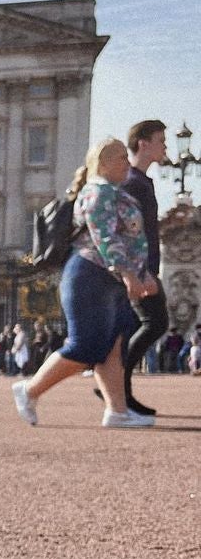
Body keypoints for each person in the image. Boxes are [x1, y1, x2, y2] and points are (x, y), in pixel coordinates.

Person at [11, 138, 156, 429]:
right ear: (103, 162)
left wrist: (143, 273)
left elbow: (131, 239)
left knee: (114, 346)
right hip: (91, 274)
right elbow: (105, 237)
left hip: (109, 277)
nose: (127, 163)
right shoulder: (97, 192)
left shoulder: (113, 192)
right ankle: (29, 390)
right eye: (120, 158)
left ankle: (117, 411)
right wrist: (129, 273)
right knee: (86, 345)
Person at [116, 120, 169, 416]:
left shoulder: (140, 180)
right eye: (161, 141)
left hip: (144, 267)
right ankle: (117, 387)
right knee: (155, 323)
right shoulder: (133, 182)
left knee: (138, 326)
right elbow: (129, 231)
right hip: (140, 269)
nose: (165, 147)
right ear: (143, 144)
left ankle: (116, 386)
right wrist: (140, 270)